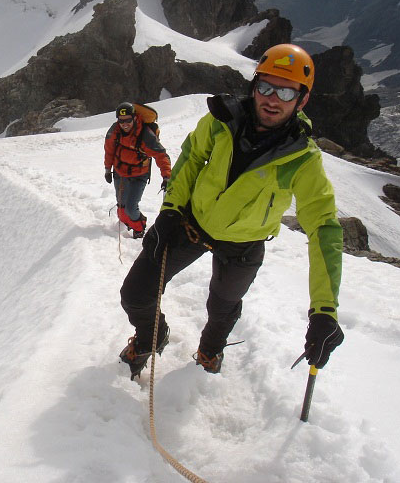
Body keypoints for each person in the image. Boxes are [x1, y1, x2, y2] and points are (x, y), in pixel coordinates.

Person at [118, 44, 344, 379]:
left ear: (302, 99)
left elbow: (323, 227)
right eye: (265, 87)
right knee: (135, 293)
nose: (271, 99)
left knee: (221, 309)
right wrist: (170, 211)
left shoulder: (302, 158)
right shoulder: (223, 119)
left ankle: (210, 350)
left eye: (285, 91)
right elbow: (192, 158)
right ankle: (153, 335)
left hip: (244, 244)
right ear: (254, 86)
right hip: (190, 224)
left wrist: (324, 309)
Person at [104, 102, 172, 239]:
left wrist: (167, 176)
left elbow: (161, 155)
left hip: (139, 175)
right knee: (121, 208)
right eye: (121, 121)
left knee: (130, 207)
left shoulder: (145, 135)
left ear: (134, 117)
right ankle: (126, 222)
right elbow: (109, 151)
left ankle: (139, 227)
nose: (124, 124)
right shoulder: (114, 131)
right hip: (119, 173)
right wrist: (107, 169)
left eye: (128, 120)